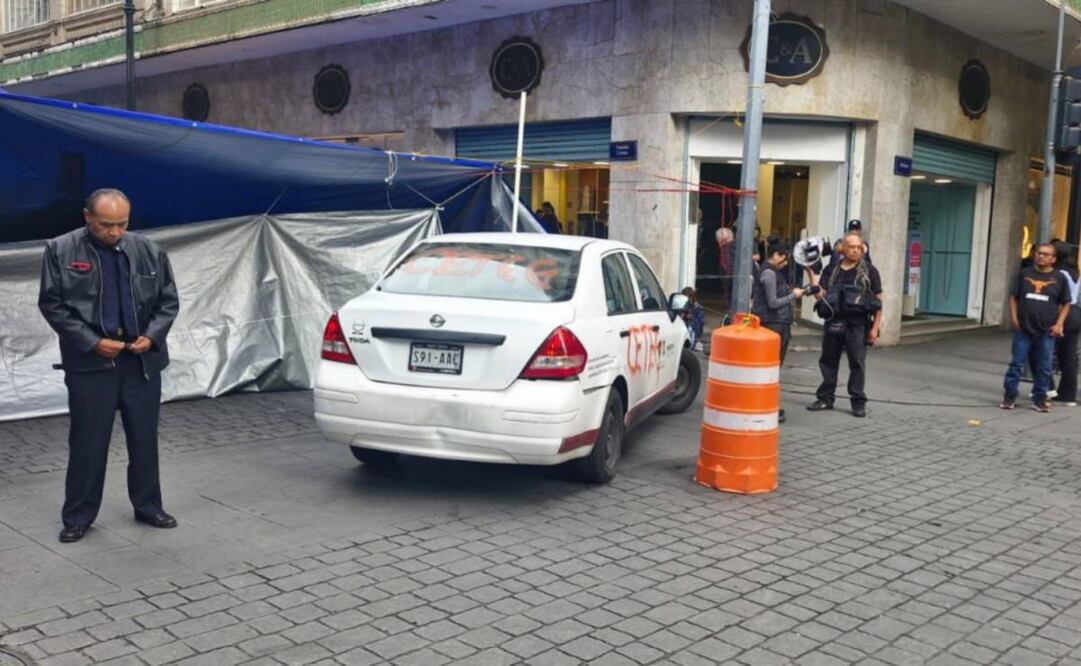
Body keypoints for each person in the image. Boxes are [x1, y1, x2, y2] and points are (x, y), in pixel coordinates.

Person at [38, 189, 180, 543]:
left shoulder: (149, 250)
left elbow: (168, 301)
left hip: (140, 362)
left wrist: (153, 335)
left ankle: (148, 505)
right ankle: (78, 516)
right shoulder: (61, 249)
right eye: (106, 225)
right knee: (88, 442)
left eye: (122, 224)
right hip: (90, 365)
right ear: (88, 217)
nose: (115, 232)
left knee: (144, 440)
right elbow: (52, 305)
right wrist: (91, 342)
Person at [808, 233, 883, 418]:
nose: (855, 250)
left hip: (858, 325)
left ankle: (858, 402)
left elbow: (879, 301)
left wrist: (875, 329)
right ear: (842, 248)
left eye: (858, 247)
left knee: (857, 363)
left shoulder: (869, 271)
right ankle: (825, 398)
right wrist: (810, 274)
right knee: (828, 361)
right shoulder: (831, 269)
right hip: (834, 322)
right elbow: (821, 296)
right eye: (851, 247)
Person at [1000, 242, 1072, 412]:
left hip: (1046, 330)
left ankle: (1040, 398)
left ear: (1053, 259)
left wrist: (1059, 323)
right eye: (1039, 253)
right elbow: (1013, 297)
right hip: (1023, 329)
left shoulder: (1060, 278)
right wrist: (1014, 318)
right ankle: (1009, 396)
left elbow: (1066, 303)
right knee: (1016, 364)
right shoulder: (1024, 274)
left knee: (1044, 366)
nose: (1041, 256)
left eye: (1046, 254)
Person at [753, 239, 812, 423]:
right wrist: (792, 295)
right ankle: (766, 406)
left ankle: (765, 405)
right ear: (776, 255)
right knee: (771, 370)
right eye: (784, 259)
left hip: (776, 323)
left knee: (771, 369)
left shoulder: (770, 272)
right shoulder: (769, 273)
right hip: (774, 324)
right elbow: (773, 302)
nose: (785, 263)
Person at [1052, 242, 1079, 407]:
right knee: (1068, 355)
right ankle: (1068, 394)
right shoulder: (1074, 272)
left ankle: (1046, 388)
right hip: (1076, 312)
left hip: (1063, 312)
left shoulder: (1059, 273)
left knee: (1043, 349)